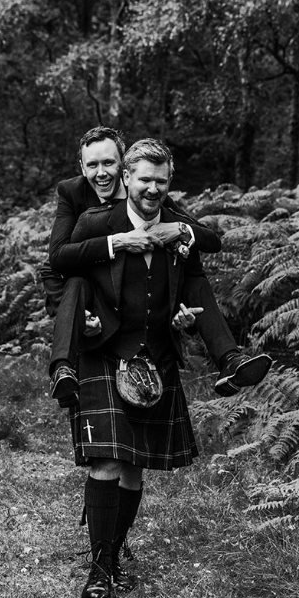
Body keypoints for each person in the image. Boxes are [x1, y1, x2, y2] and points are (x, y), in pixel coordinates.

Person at [62, 138, 236, 598]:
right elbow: (62, 265)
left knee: (135, 468)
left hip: (155, 359)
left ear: (169, 182)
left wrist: (182, 320)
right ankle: (99, 570)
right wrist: (82, 322)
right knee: (107, 460)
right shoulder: (96, 223)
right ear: (126, 179)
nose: (152, 189)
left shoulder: (180, 231)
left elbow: (197, 271)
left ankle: (113, 555)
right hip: (104, 353)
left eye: (161, 181)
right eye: (144, 179)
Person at [41, 127, 271, 409]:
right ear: (82, 167)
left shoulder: (149, 190)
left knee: (194, 276)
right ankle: (62, 368)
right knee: (77, 281)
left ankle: (230, 360)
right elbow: (57, 261)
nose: (101, 172)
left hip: (148, 304)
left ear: (123, 165)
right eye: (92, 165)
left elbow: (208, 238)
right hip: (98, 297)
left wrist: (179, 228)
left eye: (109, 163)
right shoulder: (76, 197)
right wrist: (78, 314)